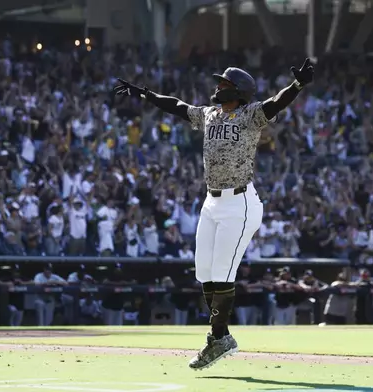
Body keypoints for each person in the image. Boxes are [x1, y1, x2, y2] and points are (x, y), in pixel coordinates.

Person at [115, 58, 314, 370]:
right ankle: (222, 337)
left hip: (240, 202)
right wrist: (145, 94)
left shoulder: (249, 114)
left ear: (237, 90)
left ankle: (217, 339)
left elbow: (276, 103)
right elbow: (178, 106)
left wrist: (297, 85)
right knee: (204, 272)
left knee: (222, 272)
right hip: (211, 202)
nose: (217, 86)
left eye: (223, 83)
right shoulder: (209, 114)